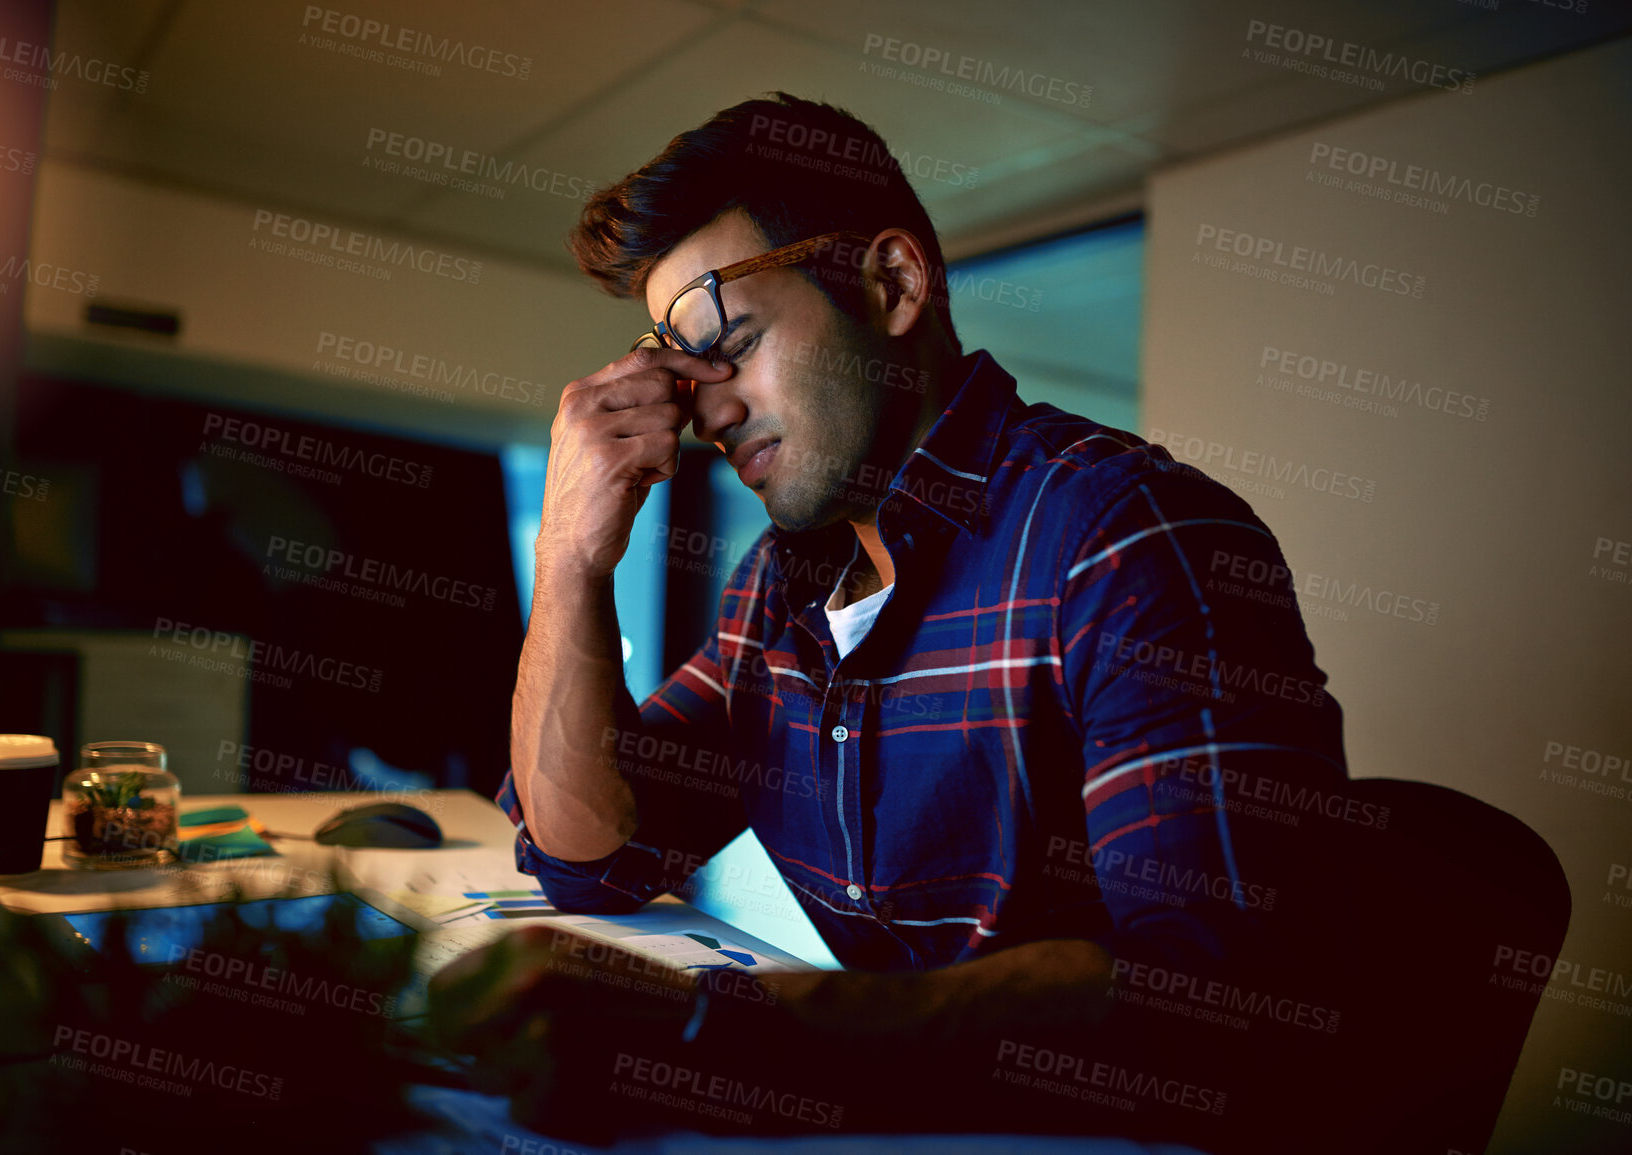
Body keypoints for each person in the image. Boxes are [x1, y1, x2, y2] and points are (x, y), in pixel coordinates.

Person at [430, 93, 1352, 1151]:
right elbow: (586, 858)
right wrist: (571, 556)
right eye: (687, 377)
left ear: (894, 284)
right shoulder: (775, 594)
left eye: (731, 346)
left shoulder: (1123, 535)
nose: (708, 413)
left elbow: (1219, 1006)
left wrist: (720, 1030)